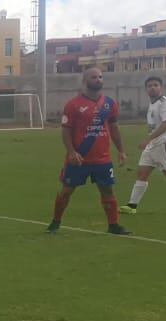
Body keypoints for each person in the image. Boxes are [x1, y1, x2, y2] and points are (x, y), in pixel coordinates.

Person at [48, 66, 129, 235]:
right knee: (66, 191)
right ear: (85, 81)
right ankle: (55, 222)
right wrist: (71, 152)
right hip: (79, 158)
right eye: (94, 77)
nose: (98, 80)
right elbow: (66, 130)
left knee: (107, 190)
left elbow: (114, 128)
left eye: (100, 77)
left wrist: (121, 150)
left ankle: (113, 225)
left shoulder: (109, 104)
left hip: (102, 159)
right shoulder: (73, 105)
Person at [124, 75, 166, 213]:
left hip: (163, 143)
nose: (153, 88)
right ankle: (132, 206)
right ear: (146, 89)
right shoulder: (152, 104)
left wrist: (149, 139)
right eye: (150, 86)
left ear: (161, 87)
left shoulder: (164, 102)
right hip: (152, 145)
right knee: (142, 173)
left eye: (156, 85)